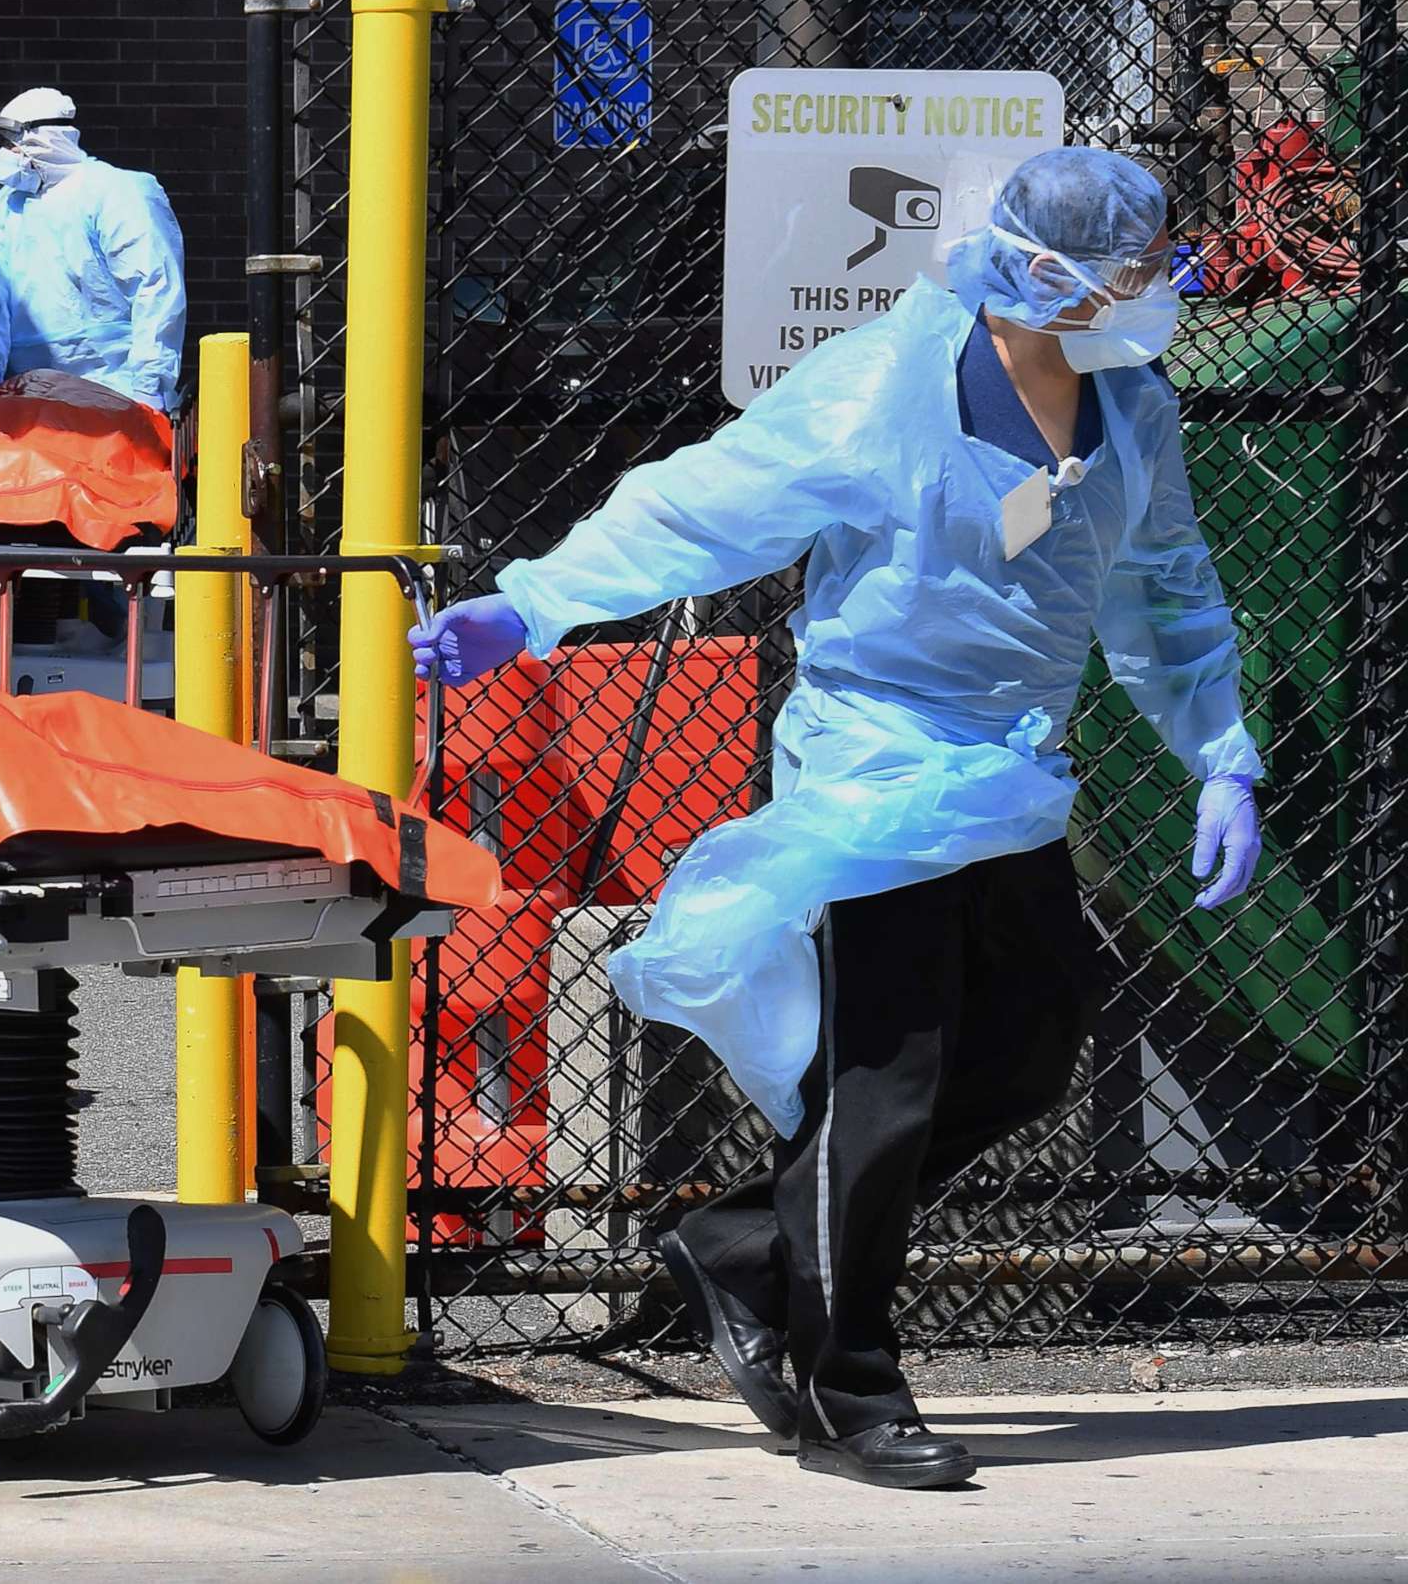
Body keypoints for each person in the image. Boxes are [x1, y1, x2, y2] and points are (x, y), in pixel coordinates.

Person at [411, 147, 1262, 1490]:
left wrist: (1220, 749)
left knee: (1034, 1054)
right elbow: (703, 506)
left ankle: (745, 1245)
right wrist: (533, 605)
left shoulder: (1130, 400)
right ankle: (844, 1387)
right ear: (1047, 278)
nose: (1162, 287)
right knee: (890, 1074)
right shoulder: (877, 391)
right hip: (875, 770)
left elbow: (1162, 582)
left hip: (1012, 774)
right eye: (1139, 268)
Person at [0, 87, 188, 415]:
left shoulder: (117, 192)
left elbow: (154, 291)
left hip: (116, 390)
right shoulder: (7, 206)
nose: (6, 152)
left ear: (43, 138)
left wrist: (148, 390)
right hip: (26, 397)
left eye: (11, 140)